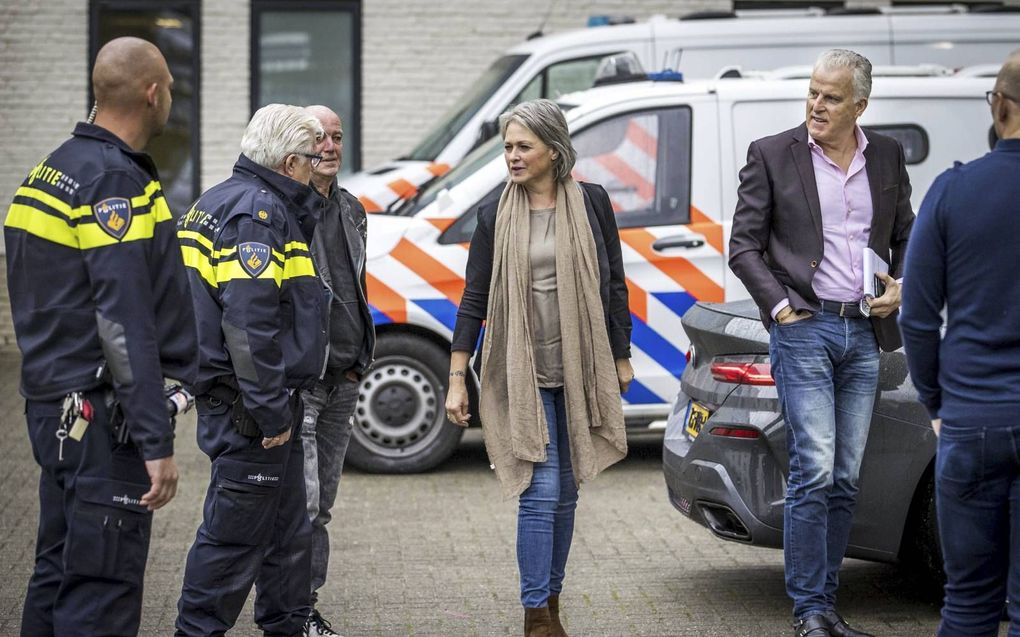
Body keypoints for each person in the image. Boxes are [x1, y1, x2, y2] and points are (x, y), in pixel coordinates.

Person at [3, 37, 195, 636]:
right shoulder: (114, 184)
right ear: (152, 92)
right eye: (170, 86)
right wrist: (154, 438)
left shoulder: (52, 169)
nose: (172, 97)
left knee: (59, 573)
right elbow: (122, 321)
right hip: (99, 418)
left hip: (55, 407)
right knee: (102, 590)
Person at [728, 49, 915, 637]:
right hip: (804, 328)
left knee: (845, 475)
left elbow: (906, 234)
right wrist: (782, 308)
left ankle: (826, 608)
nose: (817, 105)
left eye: (831, 97)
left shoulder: (885, 154)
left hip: (864, 330)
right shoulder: (772, 153)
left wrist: (902, 287)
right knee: (814, 468)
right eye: (812, 92)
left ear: (859, 104)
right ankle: (809, 610)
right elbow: (743, 246)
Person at [445, 98, 633, 637]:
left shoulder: (593, 203)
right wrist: (458, 378)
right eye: (507, 147)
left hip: (579, 367)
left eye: (523, 146)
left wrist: (620, 356)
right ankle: (535, 614)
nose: (512, 156)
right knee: (542, 488)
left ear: (554, 150)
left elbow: (613, 285)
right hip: (518, 370)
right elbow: (473, 298)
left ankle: (551, 600)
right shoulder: (494, 214)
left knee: (569, 491)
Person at [174, 104, 327, 636]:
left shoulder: (218, 200)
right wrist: (269, 414)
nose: (317, 165)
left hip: (259, 406)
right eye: (311, 157)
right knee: (231, 543)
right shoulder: (257, 215)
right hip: (251, 413)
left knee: (288, 538)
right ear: (289, 162)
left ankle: (286, 625)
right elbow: (249, 326)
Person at [899, 51, 1020, 637]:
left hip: (972, 419)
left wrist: (937, 404)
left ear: (998, 107)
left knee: (969, 603)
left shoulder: (952, 191)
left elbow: (917, 318)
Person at [299, 104, 374, 637]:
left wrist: (355, 367)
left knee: (321, 506)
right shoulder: (280, 210)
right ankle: (291, 611)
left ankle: (302, 603)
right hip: (302, 384)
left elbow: (354, 291)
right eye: (318, 137)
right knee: (300, 506)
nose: (329, 146)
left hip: (344, 380)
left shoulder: (352, 209)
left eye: (337, 137)